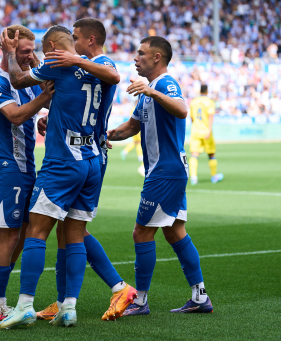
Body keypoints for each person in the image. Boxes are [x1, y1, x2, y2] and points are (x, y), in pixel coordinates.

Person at [0, 25, 107, 329]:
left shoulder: (55, 64)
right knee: (74, 235)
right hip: (92, 159)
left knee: (36, 231)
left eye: (44, 49)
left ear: (54, 46)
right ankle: (69, 307)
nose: (42, 55)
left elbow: (17, 79)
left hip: (63, 161)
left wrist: (9, 53)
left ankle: (25, 304)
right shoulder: (103, 66)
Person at [34, 18, 136, 322]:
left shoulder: (100, 62)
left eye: (76, 38)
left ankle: (118, 287)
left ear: (91, 40)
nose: (73, 44)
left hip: (88, 153)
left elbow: (113, 76)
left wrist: (75, 59)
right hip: (84, 148)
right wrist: (51, 118)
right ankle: (64, 301)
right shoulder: (86, 68)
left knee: (73, 229)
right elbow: (77, 106)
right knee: (66, 231)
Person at [107, 36, 213, 315]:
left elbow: (181, 110)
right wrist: (104, 135)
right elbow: (131, 127)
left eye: (141, 53)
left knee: (141, 233)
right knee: (175, 231)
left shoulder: (164, 83)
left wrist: (152, 92)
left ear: (157, 58)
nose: (135, 57)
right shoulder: (149, 90)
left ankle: (140, 300)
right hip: (167, 171)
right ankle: (200, 296)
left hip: (165, 172)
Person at [0, 24, 54, 322]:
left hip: (26, 167)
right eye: (23, 51)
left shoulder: (23, 82)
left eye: (32, 50)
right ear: (7, 50)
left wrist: (44, 112)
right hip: (7, 167)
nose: (28, 56)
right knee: (7, 236)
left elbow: (45, 98)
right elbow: (16, 115)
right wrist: (43, 101)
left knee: (23, 233)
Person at [188, 84, 223, 185]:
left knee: (194, 155)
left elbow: (192, 118)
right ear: (207, 91)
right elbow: (211, 117)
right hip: (206, 131)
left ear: (200, 91)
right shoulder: (209, 102)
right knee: (211, 154)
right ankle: (214, 176)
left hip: (195, 131)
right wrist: (209, 130)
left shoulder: (193, 102)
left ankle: (194, 178)